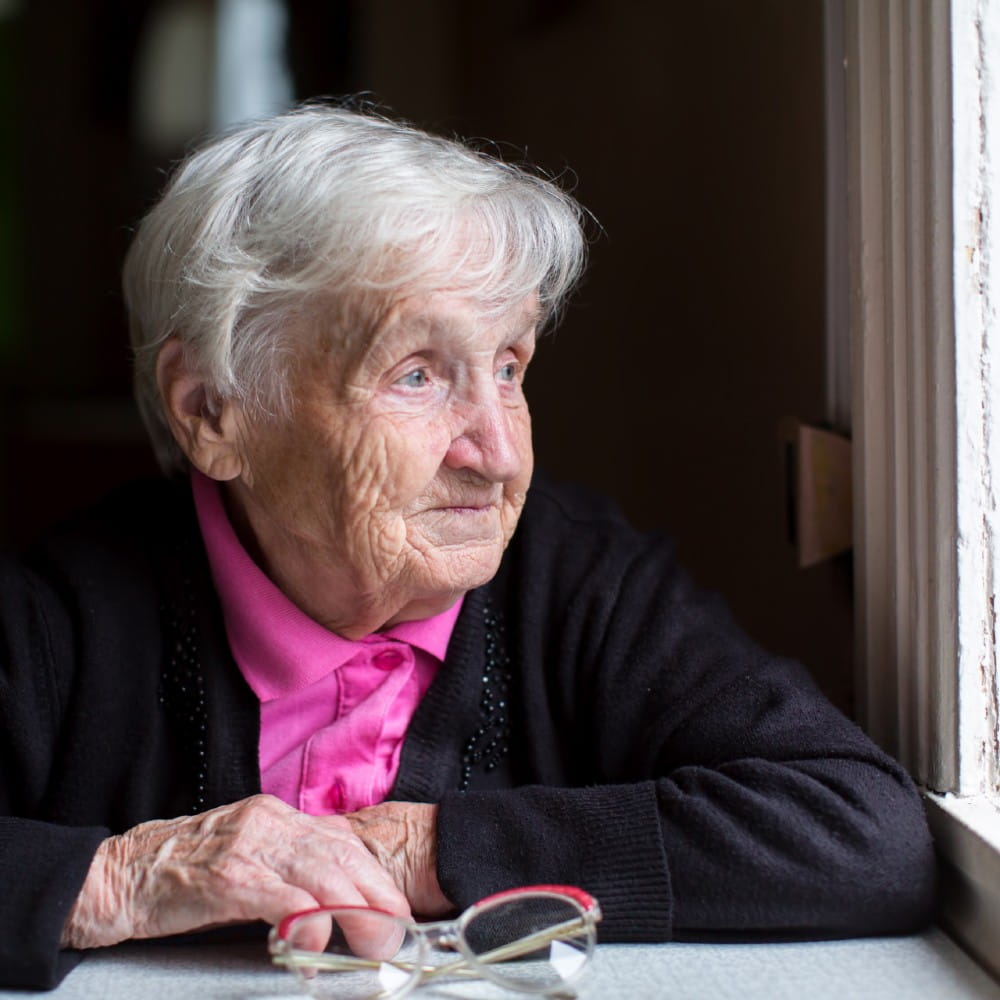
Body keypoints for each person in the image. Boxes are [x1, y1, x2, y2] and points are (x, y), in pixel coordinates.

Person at [0, 103, 935, 990]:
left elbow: (864, 831)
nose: (498, 452)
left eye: (508, 367)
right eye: (416, 374)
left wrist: (426, 849)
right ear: (211, 409)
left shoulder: (584, 585)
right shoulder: (63, 617)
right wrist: (123, 878)